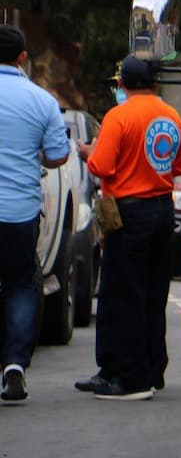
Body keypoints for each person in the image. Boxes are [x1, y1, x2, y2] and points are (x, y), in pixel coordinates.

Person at [75, 54, 181, 401]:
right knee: (153, 292)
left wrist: (88, 153)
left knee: (122, 293)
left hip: (128, 211)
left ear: (122, 85)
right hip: (162, 209)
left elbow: (102, 166)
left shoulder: (118, 116)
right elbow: (176, 166)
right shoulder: (171, 115)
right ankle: (152, 368)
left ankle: (129, 377)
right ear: (154, 84)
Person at [0, 25, 71, 405]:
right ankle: (14, 366)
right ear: (23, 57)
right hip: (17, 212)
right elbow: (58, 156)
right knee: (21, 284)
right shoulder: (41, 100)